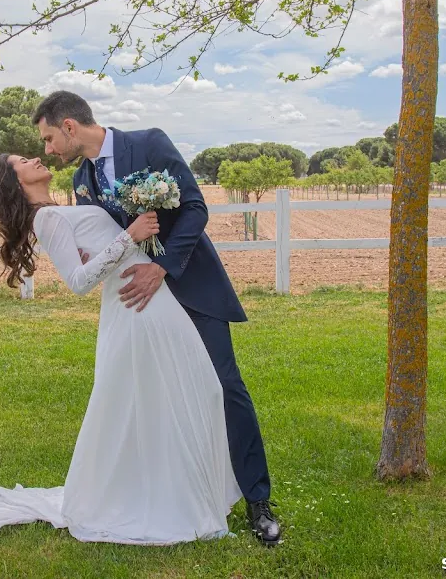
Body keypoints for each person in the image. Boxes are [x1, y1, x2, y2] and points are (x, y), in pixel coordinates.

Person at [0, 153, 242, 545]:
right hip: (136, 303)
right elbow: (78, 281)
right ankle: (173, 499)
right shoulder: (47, 217)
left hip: (146, 293)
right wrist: (131, 235)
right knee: (180, 390)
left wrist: (127, 238)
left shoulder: (58, 209)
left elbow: (96, 255)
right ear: (15, 180)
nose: (36, 157)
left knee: (188, 388)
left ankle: (181, 490)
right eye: (24, 161)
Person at [32, 90, 281, 546]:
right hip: (142, 307)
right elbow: (109, 239)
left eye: (49, 138)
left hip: (189, 285)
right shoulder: (82, 180)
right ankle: (184, 492)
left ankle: (257, 499)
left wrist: (162, 268)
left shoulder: (148, 143)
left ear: (69, 126)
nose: (48, 150)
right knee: (161, 395)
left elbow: (195, 208)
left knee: (224, 385)